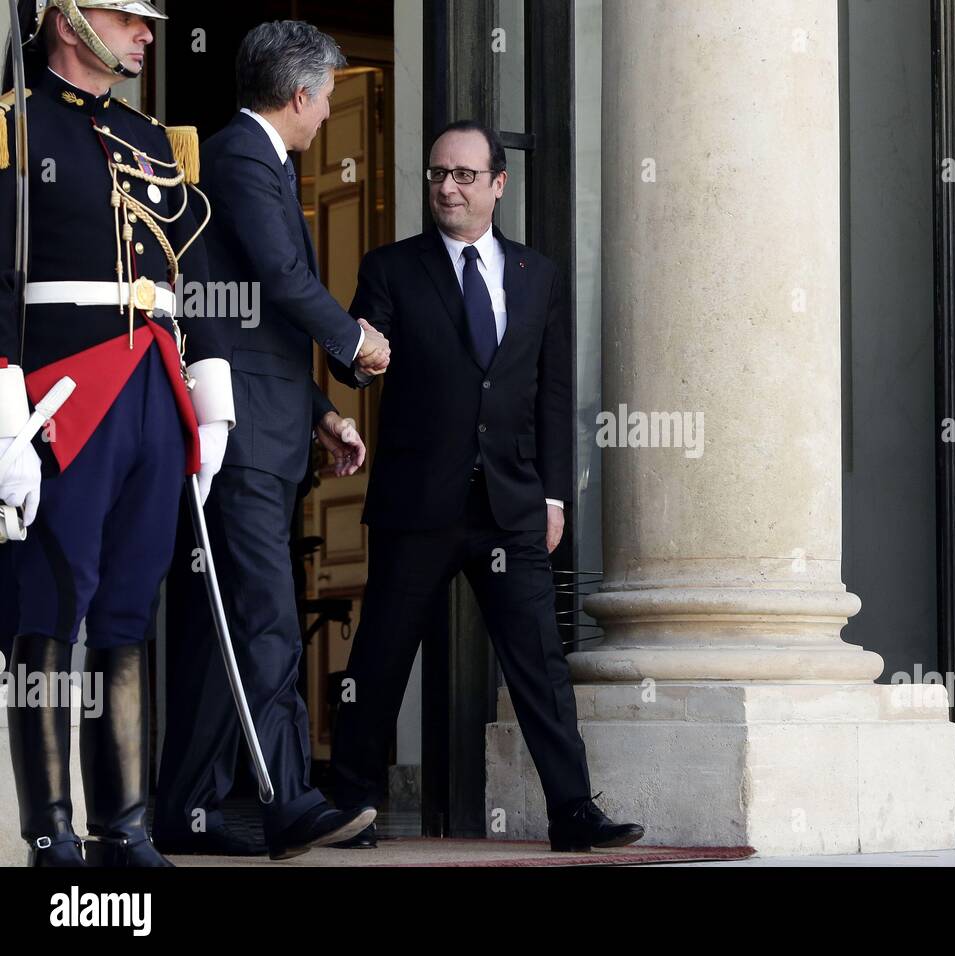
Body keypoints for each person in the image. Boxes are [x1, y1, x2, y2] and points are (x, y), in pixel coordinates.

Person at [328, 120, 643, 852]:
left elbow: (553, 394)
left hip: (510, 504)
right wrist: (357, 360)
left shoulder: (539, 275)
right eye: (438, 173)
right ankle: (350, 805)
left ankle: (573, 812)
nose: (447, 186)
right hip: (419, 501)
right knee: (380, 658)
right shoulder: (391, 267)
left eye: (465, 175)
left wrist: (556, 497)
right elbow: (355, 355)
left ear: (498, 184)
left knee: (539, 660)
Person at [0, 0, 231, 867]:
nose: (146, 32)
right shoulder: (13, 125)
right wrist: (4, 421)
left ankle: (124, 826)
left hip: (153, 386)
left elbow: (191, 274)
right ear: (67, 18)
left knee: (129, 613)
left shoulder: (153, 136)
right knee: (50, 607)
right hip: (65, 392)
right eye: (126, 16)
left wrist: (211, 406)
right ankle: (51, 832)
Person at [153, 20, 383, 861]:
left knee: (235, 627)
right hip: (240, 435)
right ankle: (289, 801)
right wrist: (355, 342)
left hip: (266, 424)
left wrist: (322, 410)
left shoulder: (256, 161)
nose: (328, 113)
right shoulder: (245, 158)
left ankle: (190, 809)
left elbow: (255, 320)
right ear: (299, 95)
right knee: (266, 623)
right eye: (325, 96)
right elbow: (286, 283)